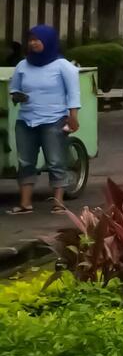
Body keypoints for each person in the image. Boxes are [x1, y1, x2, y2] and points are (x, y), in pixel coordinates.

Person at [10, 25, 80, 214]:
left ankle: (58, 202)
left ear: (47, 41)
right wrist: (17, 96)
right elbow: (14, 89)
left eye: (37, 39)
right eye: (30, 39)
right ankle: (25, 203)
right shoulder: (23, 65)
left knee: (55, 161)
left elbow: (73, 93)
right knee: (25, 162)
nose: (33, 43)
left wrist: (73, 117)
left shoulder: (63, 66)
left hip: (54, 120)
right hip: (26, 121)